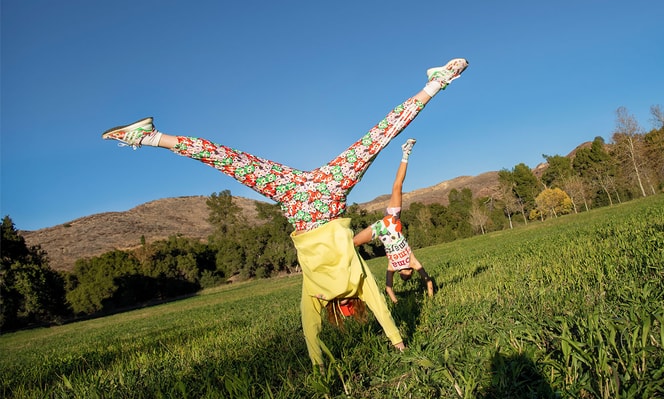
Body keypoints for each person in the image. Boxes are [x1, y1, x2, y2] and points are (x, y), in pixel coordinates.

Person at [101, 58, 468, 365]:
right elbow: (312, 330)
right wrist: (330, 362)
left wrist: (396, 343)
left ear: (348, 308)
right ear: (337, 309)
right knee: (228, 160)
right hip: (303, 198)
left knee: (376, 139)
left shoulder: (349, 284)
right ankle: (149, 137)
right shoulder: (318, 292)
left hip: (321, 193)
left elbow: (376, 312)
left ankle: (438, 83)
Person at [353, 138, 435, 303]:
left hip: (380, 230)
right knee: (397, 186)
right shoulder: (412, 261)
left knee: (352, 243)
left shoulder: (393, 267)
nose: (409, 273)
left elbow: (388, 288)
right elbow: (428, 281)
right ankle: (406, 153)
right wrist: (431, 298)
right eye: (410, 274)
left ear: (402, 274)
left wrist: (396, 301)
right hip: (392, 221)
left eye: (406, 275)